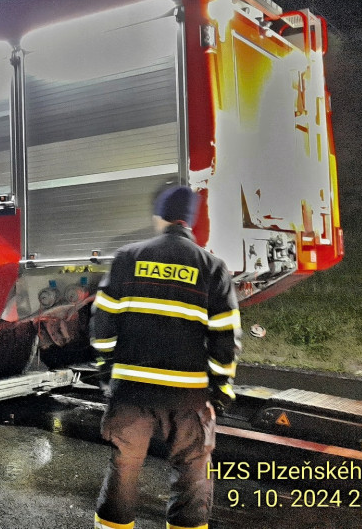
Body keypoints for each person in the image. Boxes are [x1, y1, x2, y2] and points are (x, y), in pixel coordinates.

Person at [89, 185, 241, 529]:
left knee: (124, 468)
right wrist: (220, 391)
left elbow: (102, 323)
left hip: (131, 392)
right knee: (191, 472)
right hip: (188, 397)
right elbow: (225, 339)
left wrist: (108, 371)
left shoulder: (128, 257)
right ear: (190, 222)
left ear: (159, 216)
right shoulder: (212, 267)